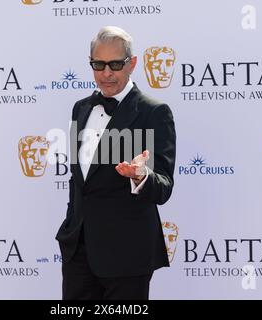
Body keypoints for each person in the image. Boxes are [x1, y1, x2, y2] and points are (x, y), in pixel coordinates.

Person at [55, 26, 176, 300]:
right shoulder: (81, 108)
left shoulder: (153, 113)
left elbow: (164, 187)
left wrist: (140, 176)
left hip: (127, 254)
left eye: (115, 64)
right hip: (78, 253)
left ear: (132, 64)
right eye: (98, 64)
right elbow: (80, 181)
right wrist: (71, 227)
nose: (106, 73)